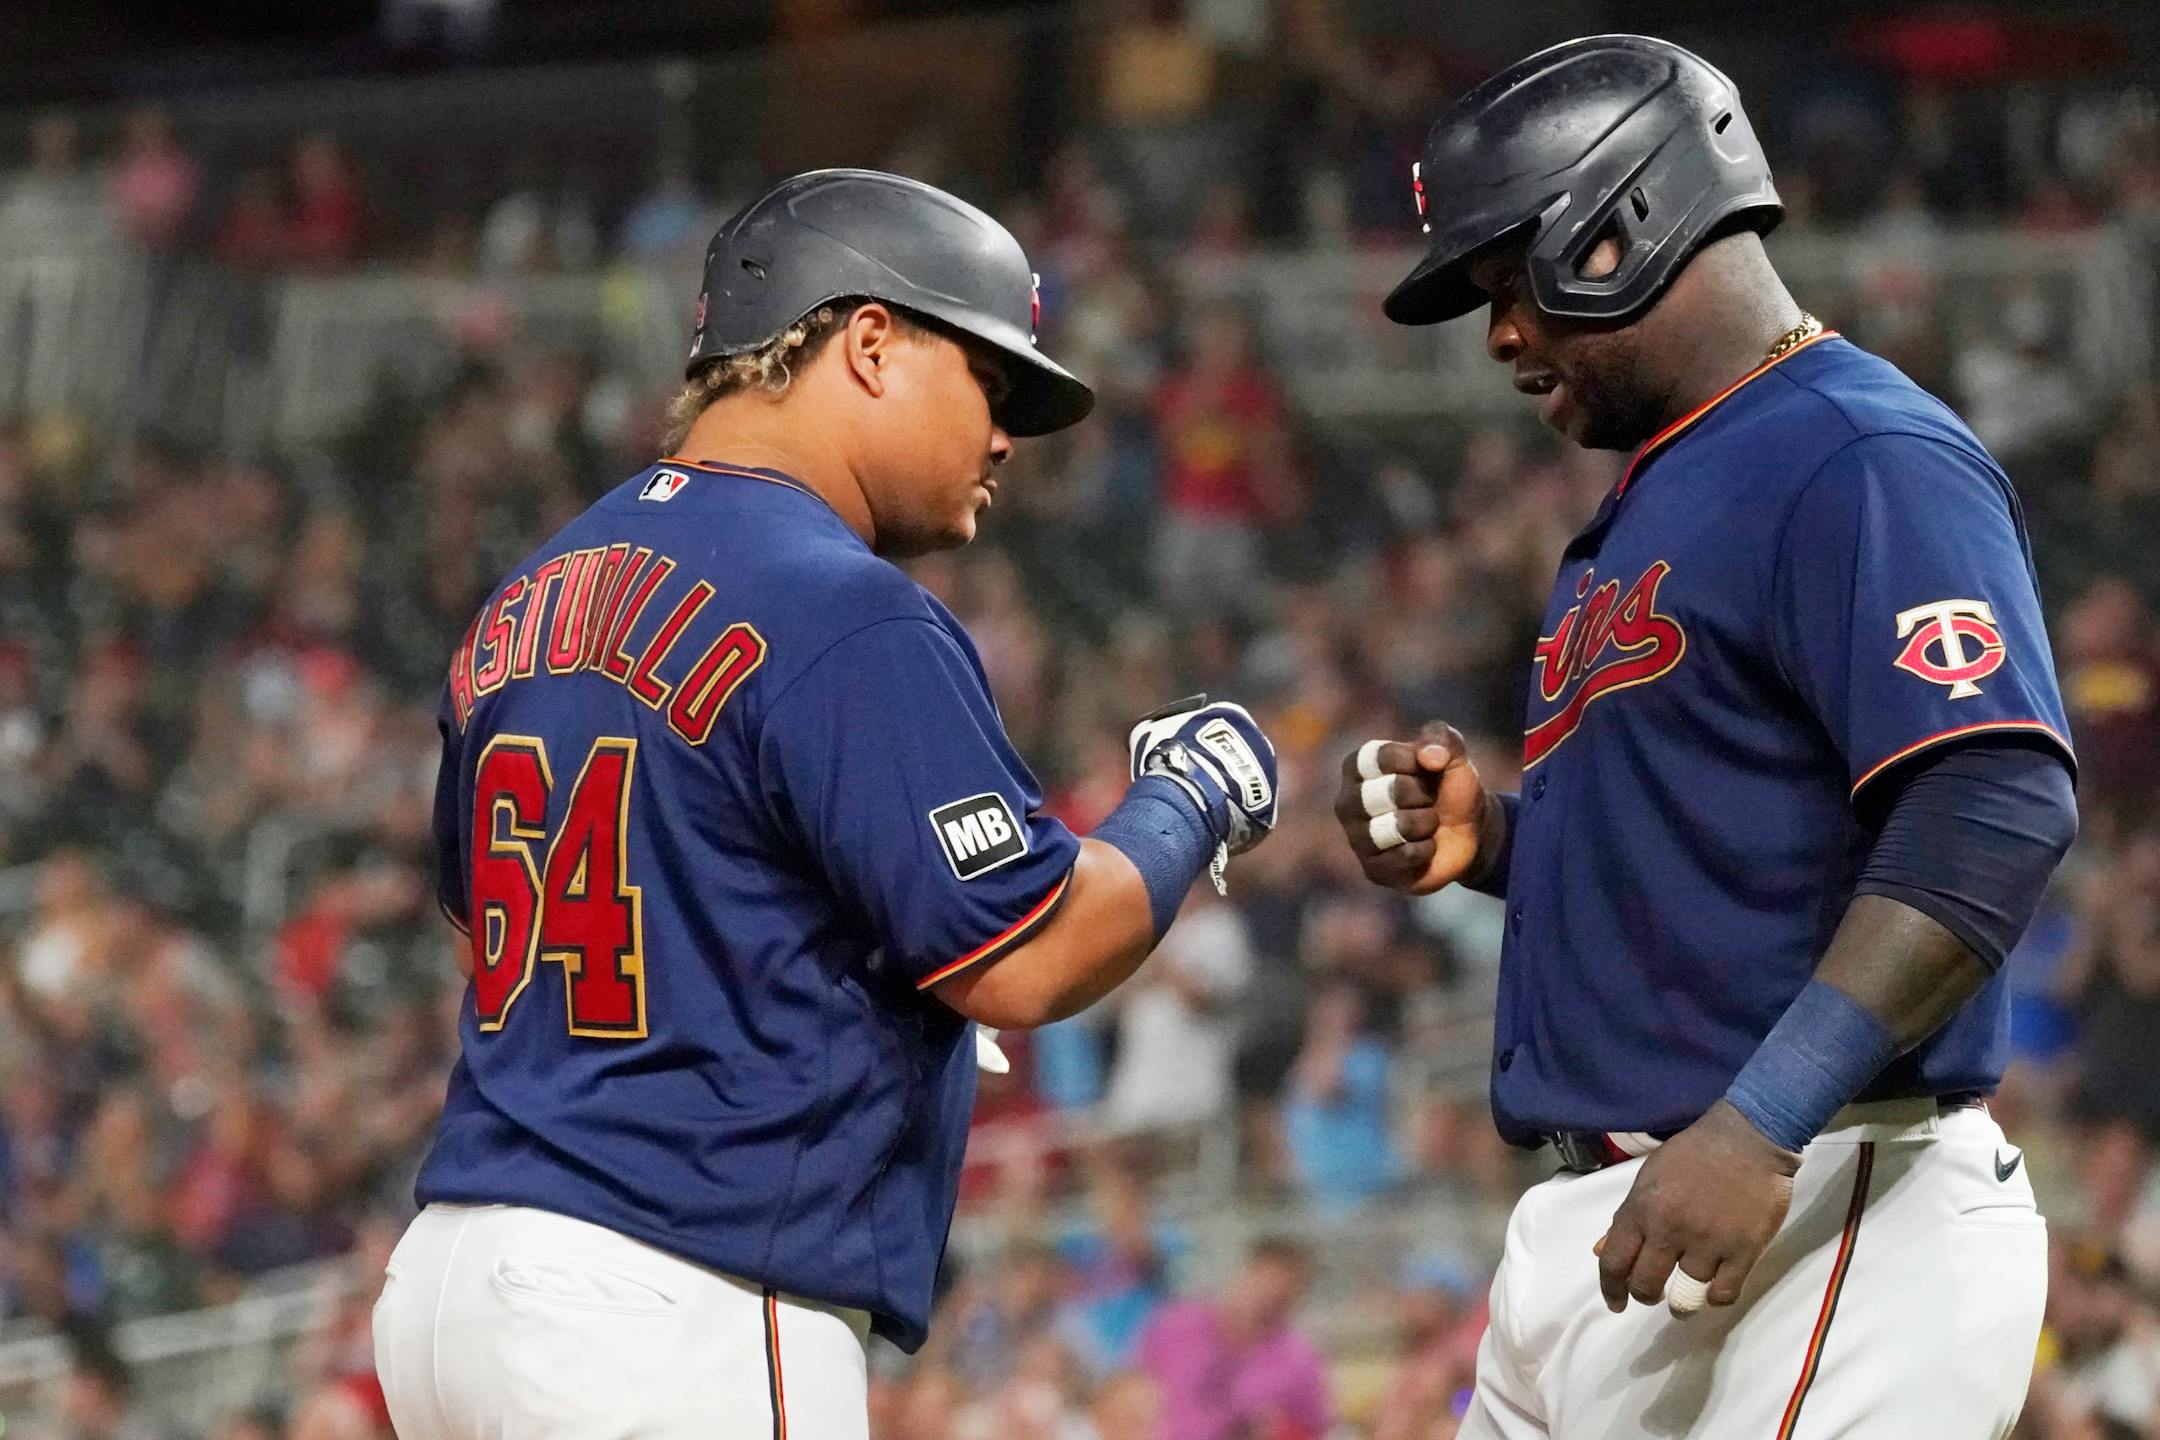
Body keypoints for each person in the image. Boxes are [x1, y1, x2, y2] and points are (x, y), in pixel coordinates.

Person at [370, 168, 1277, 1440]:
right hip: (681, 1293)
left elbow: (483, 932)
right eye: (988, 379)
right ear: (868, 342)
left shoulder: (528, 595)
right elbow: (1029, 954)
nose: (1007, 432)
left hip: (450, 1287)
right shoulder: (840, 606)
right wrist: (1193, 798)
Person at [1336, 36, 2079, 1439]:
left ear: (1620, 230)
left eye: (1511, 288)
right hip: (1630, 1226)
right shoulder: (1663, 489)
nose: (1500, 338)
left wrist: (1762, 1122)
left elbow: (1990, 802)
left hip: (1818, 1201)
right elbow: (1721, 842)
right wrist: (1491, 840)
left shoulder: (1853, 450)